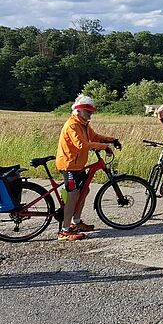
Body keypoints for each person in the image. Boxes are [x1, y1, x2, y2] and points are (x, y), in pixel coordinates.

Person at [54, 94, 118, 241]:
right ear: (79, 110)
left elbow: (94, 137)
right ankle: (64, 230)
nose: (91, 114)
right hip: (69, 165)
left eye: (91, 112)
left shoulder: (83, 124)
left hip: (77, 165)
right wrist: (103, 147)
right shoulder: (72, 125)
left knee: (85, 190)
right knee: (73, 195)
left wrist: (111, 140)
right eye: (88, 111)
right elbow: (81, 145)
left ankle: (76, 222)